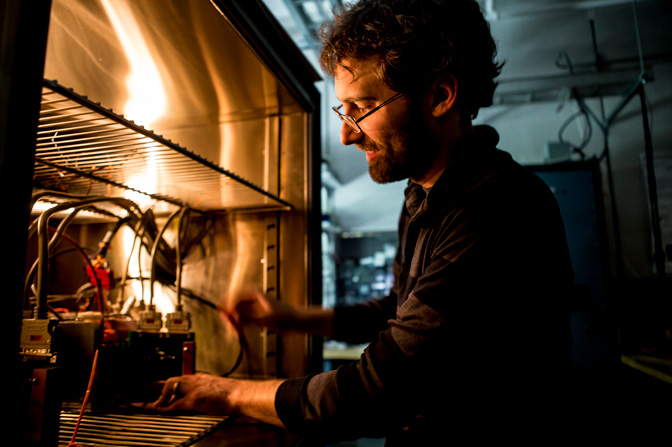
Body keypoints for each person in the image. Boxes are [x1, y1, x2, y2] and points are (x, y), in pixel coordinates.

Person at [148, 0, 574, 443]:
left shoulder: (496, 210)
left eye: (363, 107)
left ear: (440, 96)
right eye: (343, 109)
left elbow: (376, 393)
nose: (347, 133)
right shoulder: (425, 193)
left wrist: (225, 392)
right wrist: (292, 318)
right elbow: (402, 310)